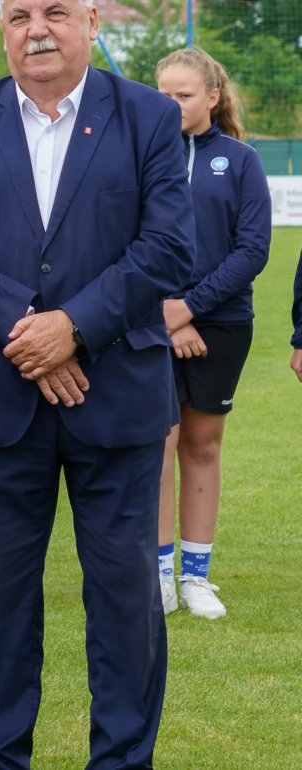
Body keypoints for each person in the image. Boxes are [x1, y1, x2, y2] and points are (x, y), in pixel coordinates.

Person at [0, 0, 195, 765]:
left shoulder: (148, 117)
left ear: (92, 22)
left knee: (126, 601)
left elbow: (170, 246)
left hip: (118, 397)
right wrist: (28, 329)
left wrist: (74, 327)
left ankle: (123, 758)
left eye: (57, 11)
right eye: (20, 15)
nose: (37, 28)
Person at [154, 47, 270, 621]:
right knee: (158, 445)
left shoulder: (241, 160)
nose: (173, 105)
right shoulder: (142, 156)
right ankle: (157, 577)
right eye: (164, 95)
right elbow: (124, 242)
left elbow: (252, 251)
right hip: (151, 322)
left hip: (220, 323)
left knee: (202, 445)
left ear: (213, 97)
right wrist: (166, 314)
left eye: (185, 95)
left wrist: (190, 309)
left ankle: (195, 576)